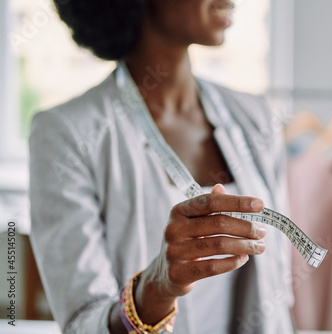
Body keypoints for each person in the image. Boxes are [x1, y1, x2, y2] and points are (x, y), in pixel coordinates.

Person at [29, 0, 294, 333]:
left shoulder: (255, 117)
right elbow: (83, 323)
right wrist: (155, 290)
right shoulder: (67, 135)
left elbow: (278, 288)